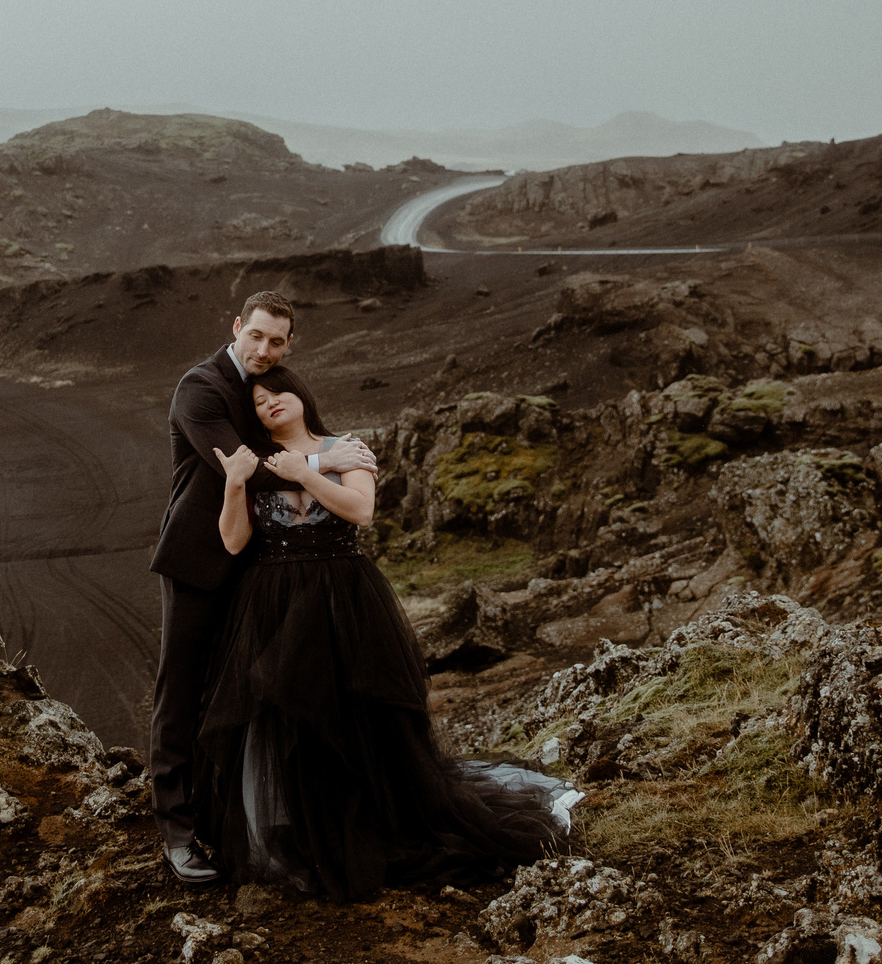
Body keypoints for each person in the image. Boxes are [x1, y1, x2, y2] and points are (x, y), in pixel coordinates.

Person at [197, 362, 574, 898]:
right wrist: (236, 484)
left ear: (301, 395)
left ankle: (373, 820)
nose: (270, 403)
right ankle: (311, 830)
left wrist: (307, 472)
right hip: (273, 605)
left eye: (279, 392)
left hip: (344, 600)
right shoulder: (253, 463)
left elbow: (361, 510)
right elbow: (234, 542)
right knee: (294, 720)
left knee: (361, 718)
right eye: (258, 401)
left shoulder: (348, 447)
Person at [147, 290, 376, 885]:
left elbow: (294, 434)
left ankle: (242, 822)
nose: (264, 350)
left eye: (276, 342)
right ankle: (176, 833)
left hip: (259, 565)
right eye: (256, 336)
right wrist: (332, 461)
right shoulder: (199, 388)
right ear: (236, 328)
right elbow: (240, 463)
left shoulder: (271, 380)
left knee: (242, 700)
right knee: (182, 691)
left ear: (288, 344)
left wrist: (327, 454)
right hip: (201, 562)